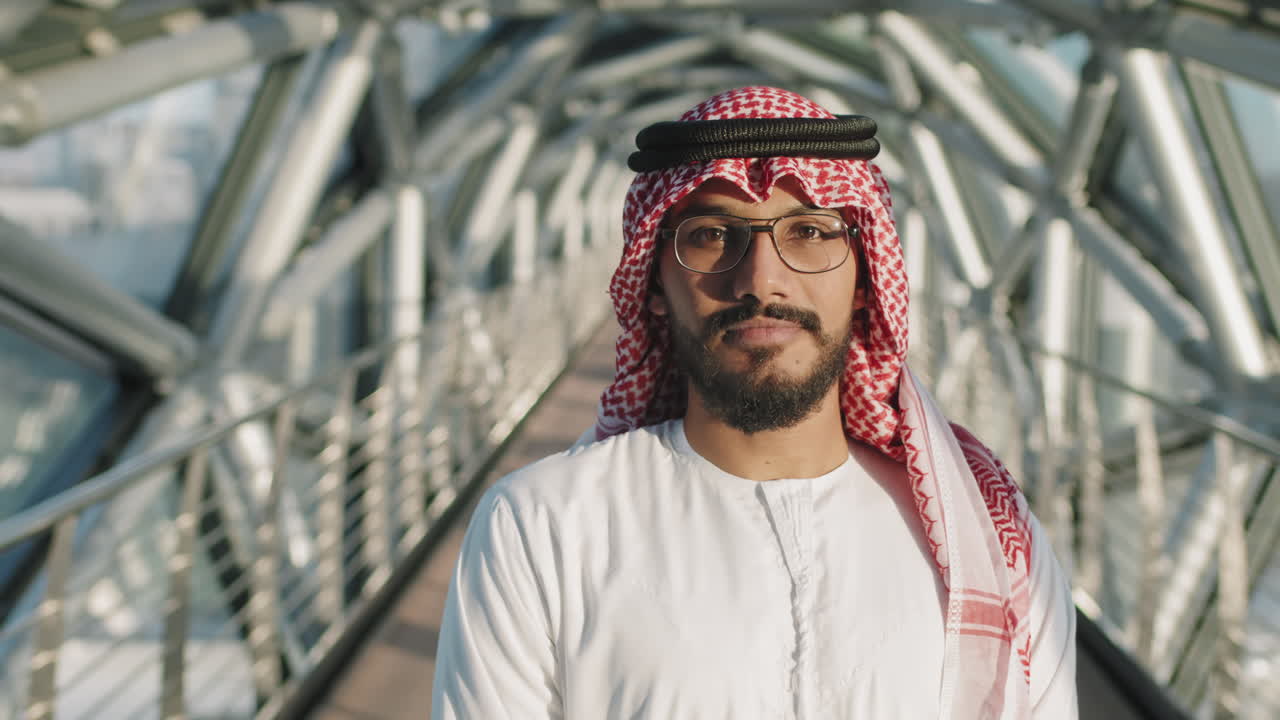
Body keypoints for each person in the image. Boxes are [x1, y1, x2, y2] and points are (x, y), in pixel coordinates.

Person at [431, 86, 1077, 719]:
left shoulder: (990, 537)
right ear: (654, 282)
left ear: (866, 279)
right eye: (712, 235)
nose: (761, 280)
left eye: (810, 232)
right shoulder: (541, 530)